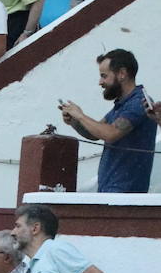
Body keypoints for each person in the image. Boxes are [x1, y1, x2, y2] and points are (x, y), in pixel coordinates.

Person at [59, 49, 156, 194]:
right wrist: (74, 122)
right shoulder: (123, 104)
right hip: (112, 189)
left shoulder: (138, 103)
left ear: (122, 74)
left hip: (125, 192)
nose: (100, 82)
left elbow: (110, 134)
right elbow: (96, 133)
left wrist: (80, 116)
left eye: (104, 76)